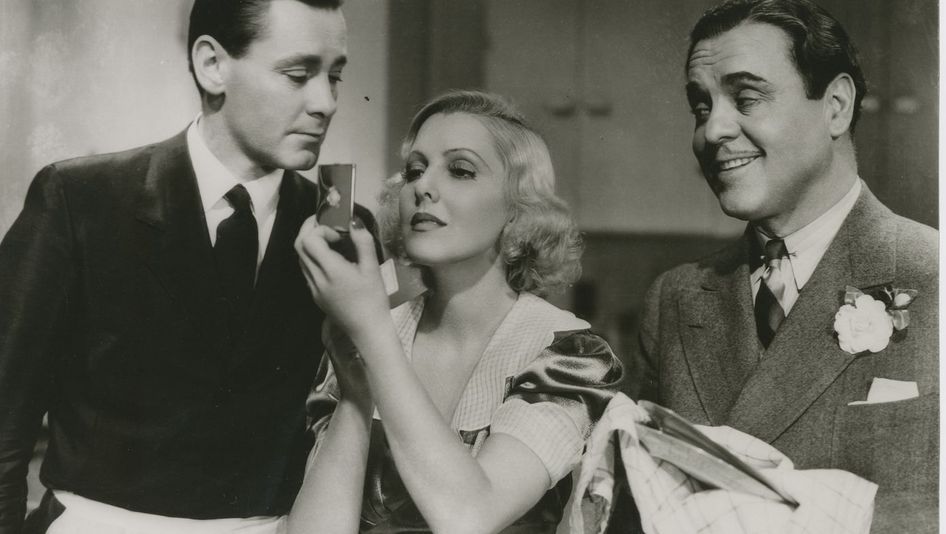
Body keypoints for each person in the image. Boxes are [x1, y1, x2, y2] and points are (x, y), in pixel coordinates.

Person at [0, 0, 365, 532]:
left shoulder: (343, 224)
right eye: (297, 74)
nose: (326, 102)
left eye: (334, 77)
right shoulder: (79, 199)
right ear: (212, 65)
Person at [629, 0, 938, 531]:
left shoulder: (934, 273)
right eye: (701, 107)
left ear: (836, 106)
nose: (713, 130)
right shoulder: (675, 299)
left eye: (746, 98)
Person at [289, 90, 625, 533]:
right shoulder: (374, 331)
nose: (423, 186)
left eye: (461, 170)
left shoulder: (568, 355)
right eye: (414, 169)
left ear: (517, 209)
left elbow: (470, 516)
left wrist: (371, 331)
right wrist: (354, 388)